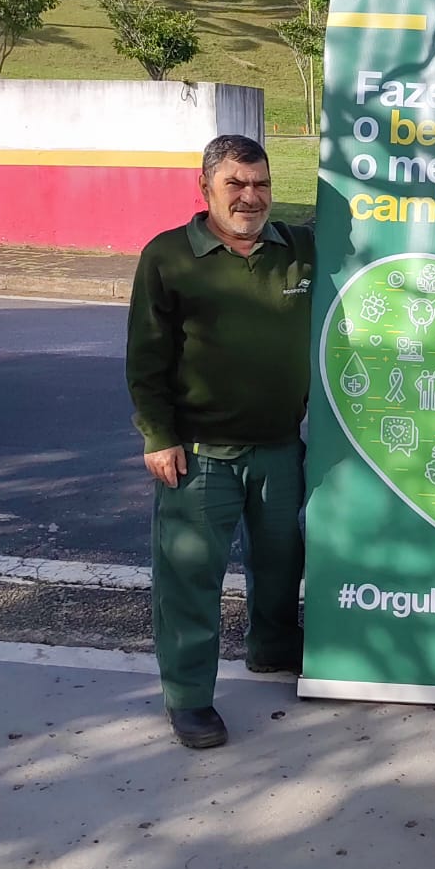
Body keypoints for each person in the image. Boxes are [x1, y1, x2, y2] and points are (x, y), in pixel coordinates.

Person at [126, 134, 314, 750]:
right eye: (235, 184)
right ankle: (189, 700)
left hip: (280, 448)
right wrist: (158, 435)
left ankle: (274, 651)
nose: (250, 196)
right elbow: (146, 359)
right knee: (190, 580)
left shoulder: (299, 249)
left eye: (260, 184)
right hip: (200, 453)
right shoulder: (168, 257)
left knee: (283, 565)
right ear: (205, 187)